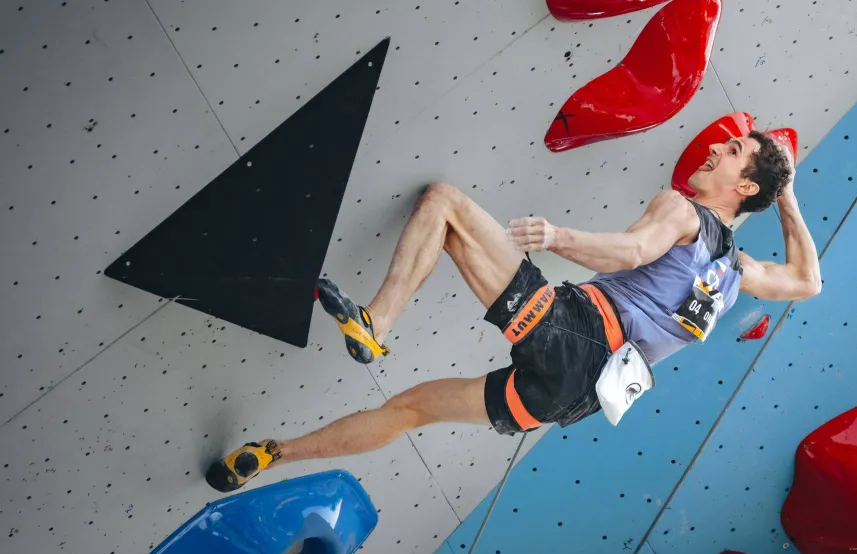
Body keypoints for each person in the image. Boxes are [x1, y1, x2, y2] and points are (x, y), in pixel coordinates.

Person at [205, 131, 821, 493]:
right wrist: (785, 195)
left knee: (444, 202)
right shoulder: (736, 272)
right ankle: (272, 453)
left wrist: (556, 237)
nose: (717, 145)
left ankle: (377, 324)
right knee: (412, 410)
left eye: (735, 151)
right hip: (570, 398)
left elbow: (632, 250)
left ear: (742, 187)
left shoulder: (685, 211)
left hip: (577, 333)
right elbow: (807, 281)